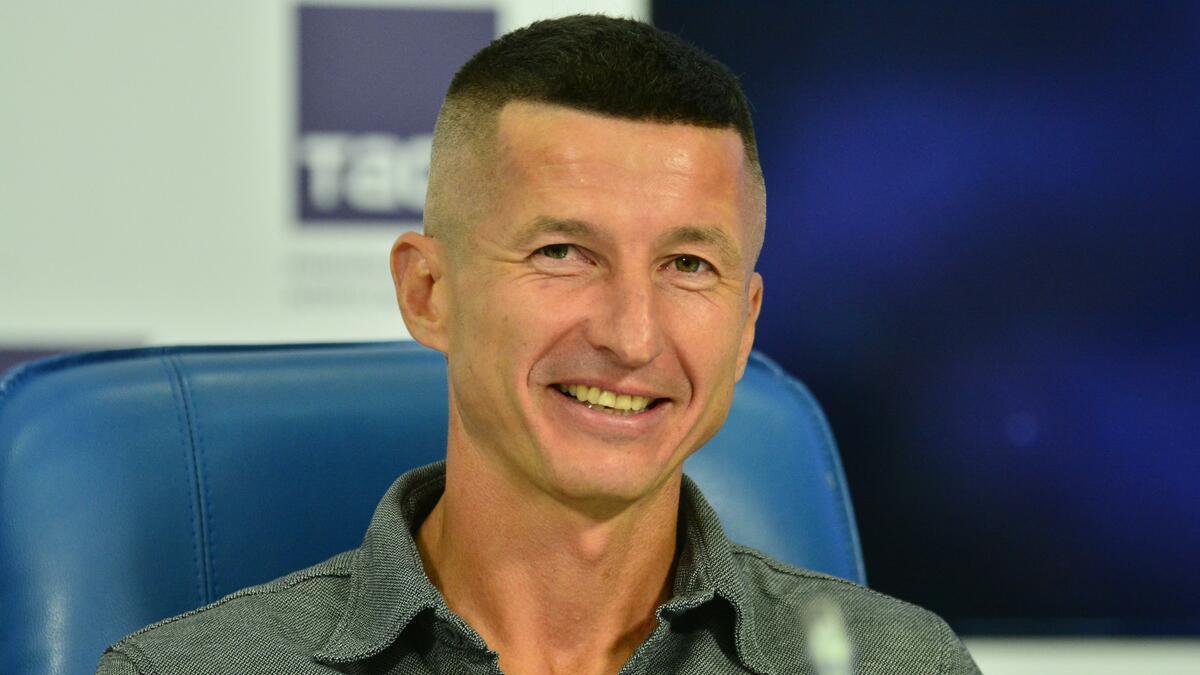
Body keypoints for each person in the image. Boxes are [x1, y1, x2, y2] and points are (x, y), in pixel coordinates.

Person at [97, 15, 980, 675]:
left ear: (746, 323)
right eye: (563, 253)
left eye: (687, 264)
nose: (631, 334)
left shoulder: (901, 666)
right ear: (428, 292)